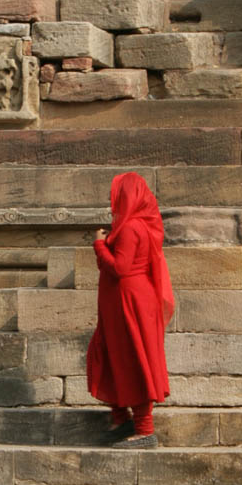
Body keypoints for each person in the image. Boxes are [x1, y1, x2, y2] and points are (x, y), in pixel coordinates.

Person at [86, 171, 174, 446]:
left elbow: (121, 269)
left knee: (134, 359)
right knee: (116, 355)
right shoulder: (133, 226)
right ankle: (121, 418)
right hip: (124, 303)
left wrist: (99, 244)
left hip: (130, 303)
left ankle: (144, 430)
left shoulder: (131, 228)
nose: (111, 203)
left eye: (115, 197)